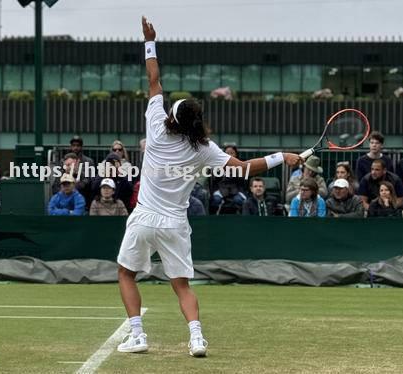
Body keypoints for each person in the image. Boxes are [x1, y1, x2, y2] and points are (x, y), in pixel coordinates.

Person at [115, 17, 302, 358]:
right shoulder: (205, 149)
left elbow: (153, 79)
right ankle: (197, 339)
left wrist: (150, 41)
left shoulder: (156, 126)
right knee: (181, 285)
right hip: (174, 224)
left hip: (143, 219)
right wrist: (282, 156)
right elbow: (245, 169)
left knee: (126, 273)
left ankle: (138, 335)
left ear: (171, 117)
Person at [210, 145, 248, 214]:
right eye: (227, 153)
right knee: (216, 200)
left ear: (236, 154)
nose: (229, 155)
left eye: (232, 153)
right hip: (221, 190)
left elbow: (243, 182)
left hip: (237, 190)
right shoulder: (218, 166)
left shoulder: (241, 165)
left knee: (238, 200)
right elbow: (215, 181)